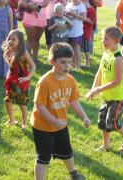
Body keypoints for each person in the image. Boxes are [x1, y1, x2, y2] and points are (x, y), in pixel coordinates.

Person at [30, 42, 91, 180]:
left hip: (60, 125)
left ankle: (73, 172)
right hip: (42, 126)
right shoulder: (44, 82)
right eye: (63, 62)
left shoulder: (70, 80)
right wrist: (53, 121)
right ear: (52, 61)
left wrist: (84, 116)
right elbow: (40, 106)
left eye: (69, 62)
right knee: (43, 157)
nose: (67, 65)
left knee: (66, 151)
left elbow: (74, 102)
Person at [86, 27, 123, 152]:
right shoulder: (106, 53)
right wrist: (93, 88)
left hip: (119, 97)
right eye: (103, 39)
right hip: (107, 96)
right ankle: (106, 145)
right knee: (102, 121)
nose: (103, 42)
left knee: (112, 121)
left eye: (106, 39)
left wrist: (98, 89)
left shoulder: (118, 58)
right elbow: (100, 72)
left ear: (116, 41)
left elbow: (117, 81)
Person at [2, 29, 36, 128]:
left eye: (14, 39)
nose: (10, 41)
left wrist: (28, 77)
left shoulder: (23, 52)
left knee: (22, 104)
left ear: (20, 41)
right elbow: (12, 66)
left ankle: (24, 123)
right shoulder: (9, 51)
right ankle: (12, 120)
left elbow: (33, 66)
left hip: (21, 82)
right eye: (9, 39)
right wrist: (8, 71)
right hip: (12, 81)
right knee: (8, 100)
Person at [65, 0, 87, 69]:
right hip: (68, 31)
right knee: (70, 48)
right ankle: (72, 64)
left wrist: (74, 14)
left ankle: (78, 66)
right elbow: (65, 14)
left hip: (77, 31)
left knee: (76, 48)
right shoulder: (69, 4)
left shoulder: (82, 6)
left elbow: (84, 18)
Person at [80, 0, 96, 68]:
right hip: (80, 31)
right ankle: (79, 62)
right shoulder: (81, 8)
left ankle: (88, 63)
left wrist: (82, 18)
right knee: (80, 48)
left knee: (86, 48)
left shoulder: (91, 9)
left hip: (86, 32)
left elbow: (92, 21)